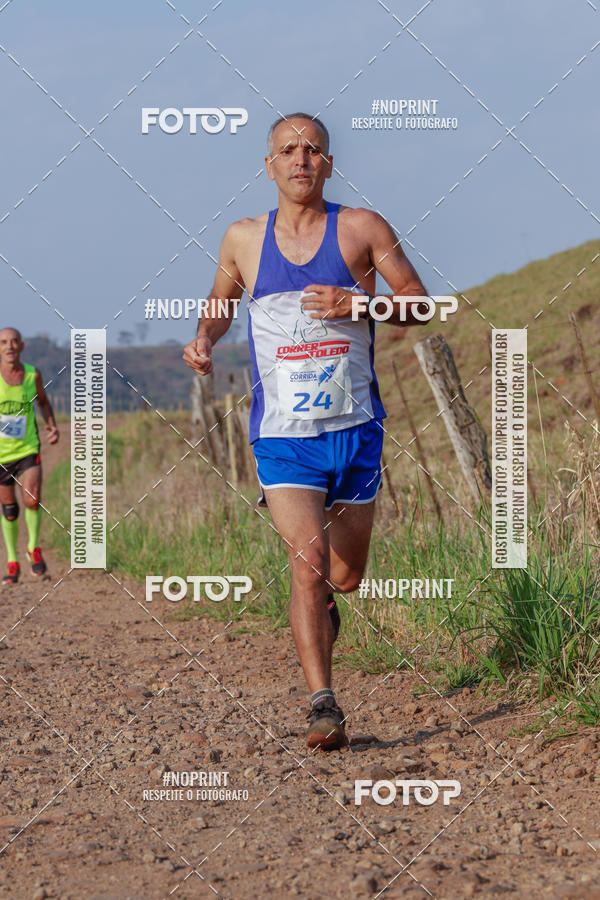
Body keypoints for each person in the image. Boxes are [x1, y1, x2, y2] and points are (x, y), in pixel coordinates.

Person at [183, 113, 426, 749]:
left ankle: (323, 611)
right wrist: (205, 337)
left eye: (313, 149)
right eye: (287, 150)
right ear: (269, 166)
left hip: (354, 429)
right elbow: (220, 301)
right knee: (307, 561)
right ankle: (323, 704)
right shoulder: (242, 238)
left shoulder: (362, 228)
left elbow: (422, 304)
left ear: (328, 162)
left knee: (343, 576)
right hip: (283, 434)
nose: (301, 159)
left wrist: (361, 303)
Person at [0, 328, 59, 585]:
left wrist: (51, 424)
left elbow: (43, 402)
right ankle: (12, 562)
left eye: (14, 342)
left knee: (32, 498)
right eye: (3, 342)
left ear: (22, 346)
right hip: (2, 454)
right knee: (10, 510)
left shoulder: (32, 374)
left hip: (27, 449)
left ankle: (33, 547)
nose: (9, 346)